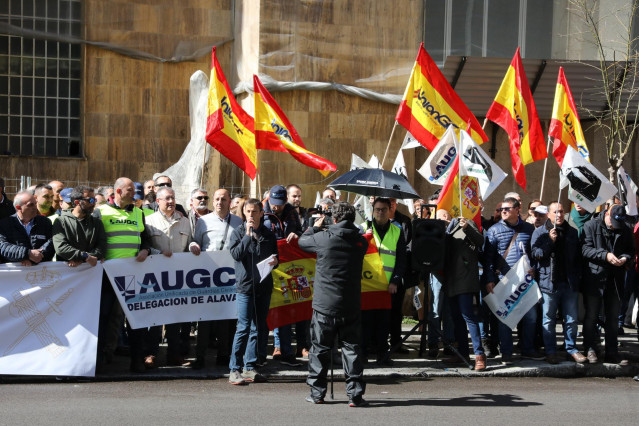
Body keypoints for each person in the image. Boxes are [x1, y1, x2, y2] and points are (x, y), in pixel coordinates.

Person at [299, 202, 369, 406]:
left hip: (325, 305)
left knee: (320, 349)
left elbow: (303, 242)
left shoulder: (323, 238)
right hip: (351, 304)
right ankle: (355, 394)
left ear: (335, 219)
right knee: (352, 349)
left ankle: (317, 393)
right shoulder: (360, 242)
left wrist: (315, 226)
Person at [93, 177, 153, 373]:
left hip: (133, 275)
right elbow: (93, 238)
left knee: (136, 319)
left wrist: (146, 250)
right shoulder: (100, 211)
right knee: (105, 318)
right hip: (107, 275)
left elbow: (145, 238)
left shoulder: (138, 212)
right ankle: (100, 361)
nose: (134, 194)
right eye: (129, 190)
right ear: (118, 191)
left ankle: (136, 361)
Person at [189, 188, 242, 369]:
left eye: (224, 199)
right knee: (204, 319)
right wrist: (193, 245)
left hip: (228, 277)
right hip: (207, 276)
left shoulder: (238, 222)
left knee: (226, 319)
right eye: (217, 199)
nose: (220, 202)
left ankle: (223, 355)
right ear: (213, 202)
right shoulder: (202, 222)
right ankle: (200, 356)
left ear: (229, 202)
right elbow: (196, 242)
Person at [227, 198, 278, 385]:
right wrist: (248, 236)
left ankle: (249, 366)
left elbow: (276, 256)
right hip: (245, 287)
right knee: (243, 327)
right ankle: (234, 369)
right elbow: (236, 255)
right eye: (247, 212)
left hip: (263, 286)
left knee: (257, 328)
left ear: (261, 213)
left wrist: (275, 261)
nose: (250, 215)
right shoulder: (238, 232)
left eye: (254, 212)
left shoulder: (268, 234)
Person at [484, 196, 540, 363]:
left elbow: (535, 254)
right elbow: (488, 258)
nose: (503, 212)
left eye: (507, 209)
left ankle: (527, 349)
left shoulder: (529, 229)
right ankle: (507, 351)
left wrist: (534, 269)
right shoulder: (493, 230)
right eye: (501, 209)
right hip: (504, 280)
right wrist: (489, 279)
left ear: (517, 210)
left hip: (526, 281)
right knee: (505, 317)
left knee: (531, 317)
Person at [531, 202, 587, 364]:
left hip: (569, 283)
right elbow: (537, 254)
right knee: (548, 319)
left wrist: (577, 277)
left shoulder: (572, 232)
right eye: (556, 212)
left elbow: (578, 258)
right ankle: (550, 351)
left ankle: (571, 349)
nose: (559, 215)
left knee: (571, 319)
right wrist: (550, 241)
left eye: (562, 212)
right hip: (548, 283)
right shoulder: (540, 233)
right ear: (548, 214)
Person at [144, 186, 194, 367]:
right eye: (167, 199)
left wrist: (193, 247)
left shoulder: (185, 221)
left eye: (173, 198)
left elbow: (190, 244)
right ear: (158, 201)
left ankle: (174, 355)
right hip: (155, 277)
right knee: (155, 318)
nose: (171, 202)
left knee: (176, 319)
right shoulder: (149, 221)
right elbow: (145, 246)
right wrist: (159, 253)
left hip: (178, 277)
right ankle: (150, 354)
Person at [581, 204, 635, 364]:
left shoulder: (624, 228)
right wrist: (605, 255)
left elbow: (631, 250)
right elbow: (585, 249)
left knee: (612, 318)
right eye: (612, 222)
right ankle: (590, 348)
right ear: (606, 214)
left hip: (615, 279)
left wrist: (625, 258)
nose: (614, 226)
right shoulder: (591, 225)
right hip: (595, 280)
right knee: (591, 316)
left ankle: (612, 352)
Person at [361, 197, 406, 366]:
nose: (380, 212)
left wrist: (395, 281)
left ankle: (382, 354)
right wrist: (366, 238)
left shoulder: (397, 231)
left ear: (390, 210)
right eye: (377, 209)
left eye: (383, 209)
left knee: (384, 322)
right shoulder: (364, 228)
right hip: (367, 284)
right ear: (373, 210)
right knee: (365, 322)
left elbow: (402, 260)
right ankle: (363, 354)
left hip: (387, 285)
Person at [264, 185, 303, 366]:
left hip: (287, 267)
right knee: (267, 310)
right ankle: (262, 353)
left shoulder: (291, 212)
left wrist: (296, 234)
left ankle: (286, 351)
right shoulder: (261, 210)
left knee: (286, 308)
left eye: (280, 204)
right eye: (273, 203)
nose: (276, 208)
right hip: (266, 267)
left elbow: (301, 232)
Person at [443, 216, 487, 370]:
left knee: (468, 316)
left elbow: (480, 242)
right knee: (456, 319)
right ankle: (462, 353)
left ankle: (479, 355)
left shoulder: (466, 223)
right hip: (451, 281)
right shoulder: (448, 230)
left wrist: (467, 228)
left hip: (466, 281)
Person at [52, 186, 106, 267]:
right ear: (77, 202)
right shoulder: (61, 221)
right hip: (66, 272)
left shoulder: (96, 223)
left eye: (94, 200)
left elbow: (101, 247)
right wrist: (84, 257)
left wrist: (84, 258)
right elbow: (61, 248)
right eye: (90, 200)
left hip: (91, 272)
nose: (93, 203)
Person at [0, 191, 54, 265]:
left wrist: (35, 257)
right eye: (31, 205)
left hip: (41, 271)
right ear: (18, 208)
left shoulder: (45, 222)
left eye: (35, 203)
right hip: (14, 274)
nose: (35, 207)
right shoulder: (5, 224)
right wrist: (27, 254)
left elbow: (51, 242)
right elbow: (3, 247)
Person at [388, 198, 412, 353]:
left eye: (392, 202)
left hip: (398, 273)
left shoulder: (404, 221)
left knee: (396, 311)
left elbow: (409, 246)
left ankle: (396, 342)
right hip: (379, 274)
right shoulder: (372, 221)